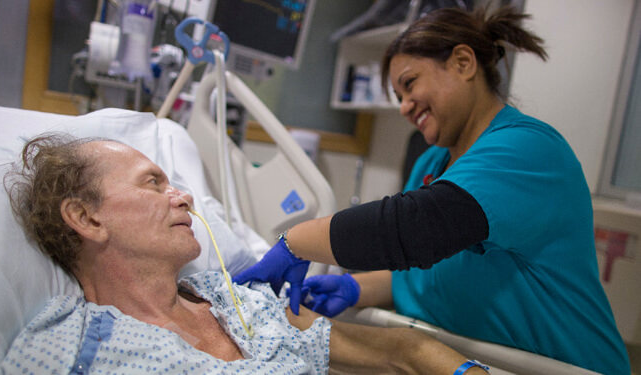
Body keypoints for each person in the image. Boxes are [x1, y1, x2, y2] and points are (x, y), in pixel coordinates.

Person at [233, 6, 631, 375]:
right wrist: (356, 288)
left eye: (409, 85)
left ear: (463, 62)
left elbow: (413, 229)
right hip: (482, 359)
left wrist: (295, 242)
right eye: (399, 97)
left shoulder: (527, 151)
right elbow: (425, 276)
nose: (405, 106)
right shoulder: (431, 165)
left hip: (566, 365)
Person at [0, 133, 489, 375]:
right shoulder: (68, 347)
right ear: (86, 219)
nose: (184, 197)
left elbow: (403, 349)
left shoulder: (238, 301)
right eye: (153, 183)